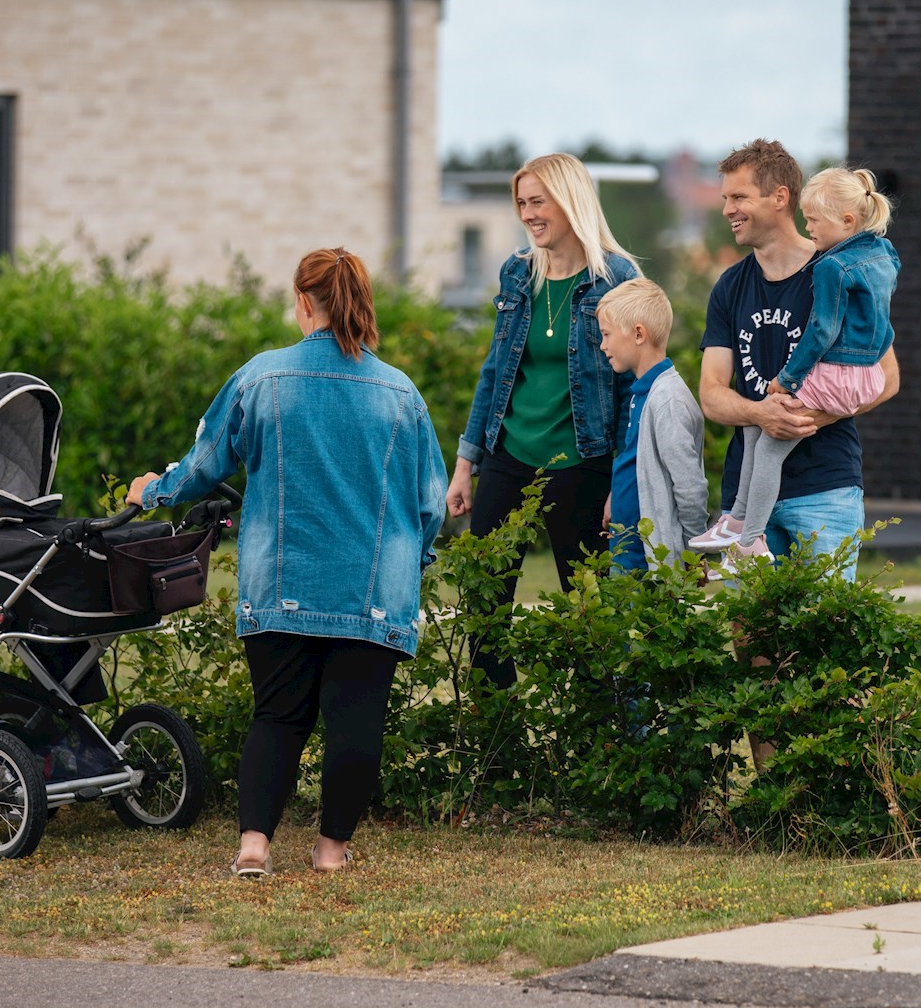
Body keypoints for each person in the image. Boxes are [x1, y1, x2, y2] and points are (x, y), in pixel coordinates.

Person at [125, 248, 446, 878]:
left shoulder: (261, 378)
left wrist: (152, 490)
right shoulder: (400, 394)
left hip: (281, 583)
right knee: (355, 725)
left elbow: (206, 461)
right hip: (371, 589)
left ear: (304, 302)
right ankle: (330, 853)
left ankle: (254, 846)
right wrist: (414, 560)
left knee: (277, 715)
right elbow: (430, 502)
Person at [446, 152, 643, 682]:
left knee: (586, 610)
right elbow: (495, 373)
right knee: (484, 607)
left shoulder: (617, 278)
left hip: (583, 462)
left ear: (570, 201)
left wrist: (619, 484)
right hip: (508, 457)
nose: (529, 214)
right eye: (521, 203)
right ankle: (497, 742)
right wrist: (466, 464)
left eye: (539, 202)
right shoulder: (517, 273)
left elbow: (632, 391)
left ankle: (593, 743)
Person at [695, 140, 900, 580]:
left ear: (780, 198)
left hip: (825, 488)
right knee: (754, 643)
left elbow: (887, 377)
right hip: (746, 498)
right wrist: (762, 414)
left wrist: (802, 419)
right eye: (726, 198)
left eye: (739, 197)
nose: (728, 209)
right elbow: (711, 394)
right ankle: (743, 536)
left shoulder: (842, 272)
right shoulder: (729, 286)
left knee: (824, 635)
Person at [595, 278, 708, 570]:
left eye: (606, 335)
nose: (602, 345)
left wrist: (694, 552)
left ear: (638, 334)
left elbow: (689, 487)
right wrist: (614, 499)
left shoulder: (667, 399)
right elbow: (635, 462)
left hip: (648, 560)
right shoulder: (640, 392)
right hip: (626, 547)